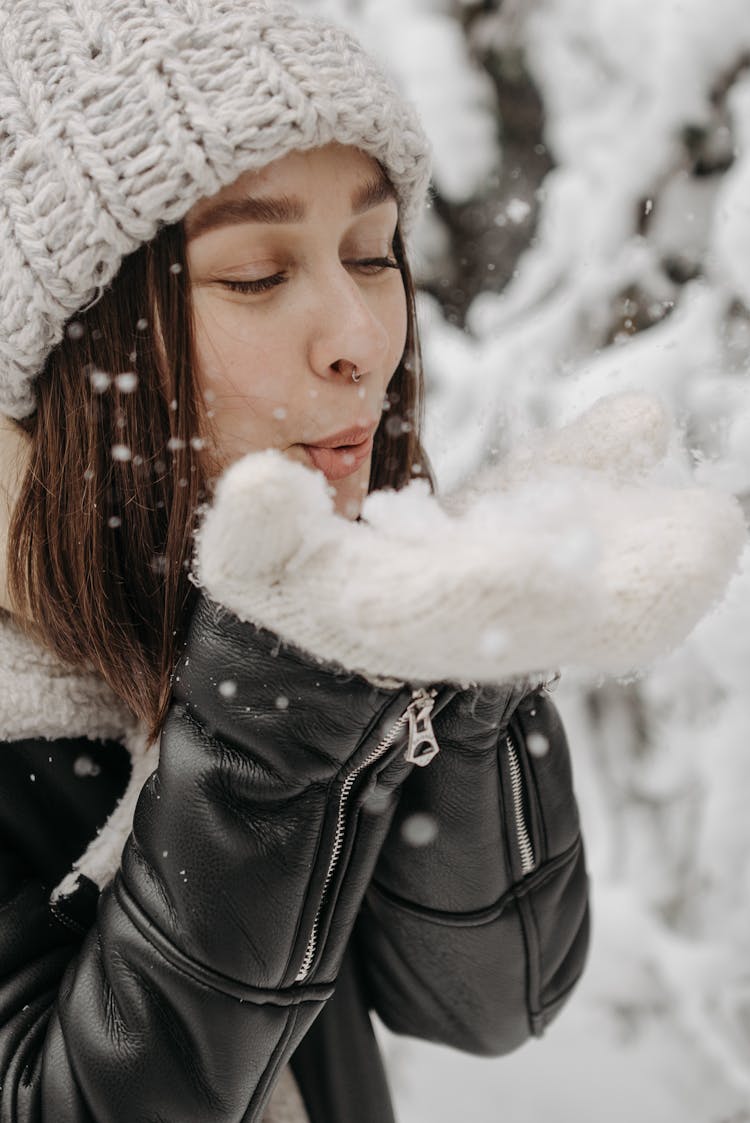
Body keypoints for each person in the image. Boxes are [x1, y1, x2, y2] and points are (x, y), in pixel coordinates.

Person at [0, 1, 741, 1120]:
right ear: (75, 343)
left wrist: (466, 659)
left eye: (370, 251)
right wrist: (265, 712)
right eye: (256, 274)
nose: (360, 337)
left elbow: (488, 1001)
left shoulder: (261, 590)